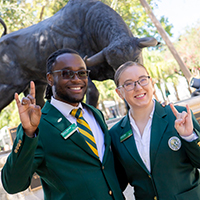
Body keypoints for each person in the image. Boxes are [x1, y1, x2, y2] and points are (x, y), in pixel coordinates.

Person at [1, 48, 125, 200]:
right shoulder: (39, 126)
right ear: (50, 78)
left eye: (82, 73)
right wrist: (28, 132)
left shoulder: (95, 114)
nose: (76, 79)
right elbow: (13, 184)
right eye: (67, 73)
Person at [109, 61, 200, 200]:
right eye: (129, 84)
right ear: (119, 92)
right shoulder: (115, 134)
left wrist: (189, 136)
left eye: (142, 80)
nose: (138, 87)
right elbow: (119, 181)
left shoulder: (178, 115)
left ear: (151, 83)